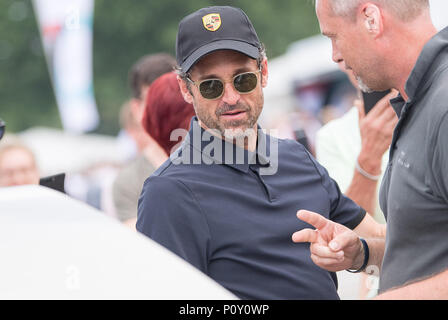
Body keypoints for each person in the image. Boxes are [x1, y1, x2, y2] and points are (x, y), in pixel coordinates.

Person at [137, 6, 384, 300]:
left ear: (263, 72)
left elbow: (379, 240)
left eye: (243, 79)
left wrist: (360, 253)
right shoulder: (168, 192)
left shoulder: (296, 158)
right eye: (211, 86)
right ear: (186, 89)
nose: (231, 98)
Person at [293, 0, 448, 299]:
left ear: (371, 19)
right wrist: (365, 252)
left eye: (334, 36)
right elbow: (429, 241)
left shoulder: (442, 104)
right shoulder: (420, 99)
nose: (335, 55)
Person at [315, 63, 396, 298]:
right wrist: (369, 157)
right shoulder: (333, 136)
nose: (339, 57)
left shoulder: (434, 106)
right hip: (383, 279)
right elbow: (350, 228)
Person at [112, 53, 176, 227]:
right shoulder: (128, 182)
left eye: (171, 97)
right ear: (136, 109)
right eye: (155, 101)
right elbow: (144, 243)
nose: (165, 109)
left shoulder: (214, 158)